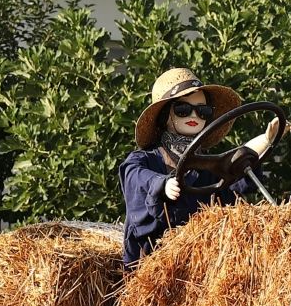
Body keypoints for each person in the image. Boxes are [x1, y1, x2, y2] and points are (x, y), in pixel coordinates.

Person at [119, 67, 282, 270]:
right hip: (151, 269)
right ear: (166, 115)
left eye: (202, 110)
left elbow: (233, 173)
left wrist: (266, 141)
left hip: (202, 267)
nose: (194, 115)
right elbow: (136, 178)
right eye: (183, 110)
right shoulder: (143, 161)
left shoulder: (206, 166)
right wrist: (161, 184)